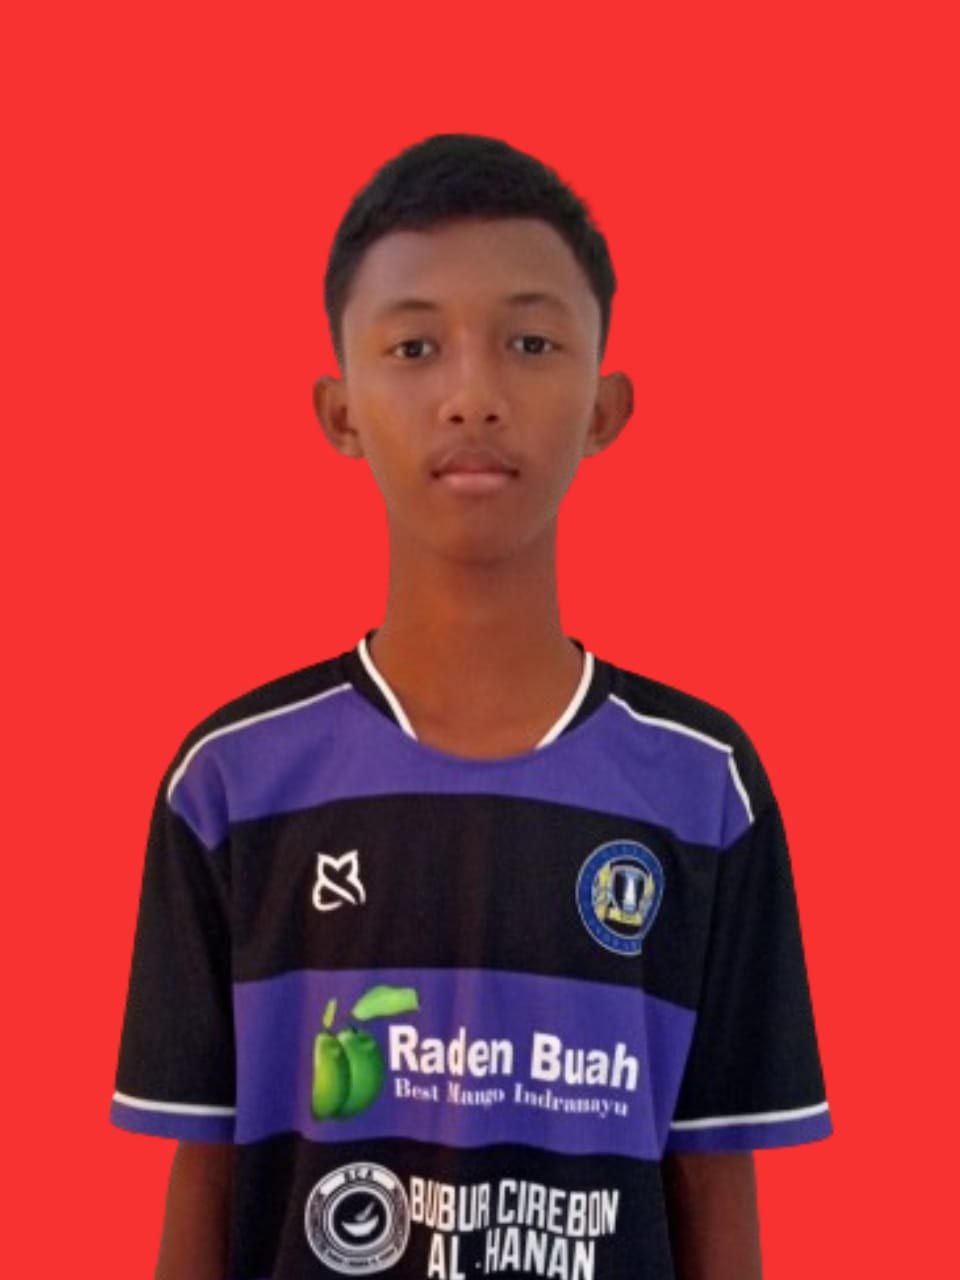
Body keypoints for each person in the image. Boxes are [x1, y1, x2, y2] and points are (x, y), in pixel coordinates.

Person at [111, 132, 832, 1280]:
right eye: (415, 346)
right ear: (340, 411)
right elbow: (205, 1172)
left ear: (604, 406)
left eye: (529, 343)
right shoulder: (232, 784)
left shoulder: (703, 785)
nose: (473, 396)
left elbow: (714, 1178)